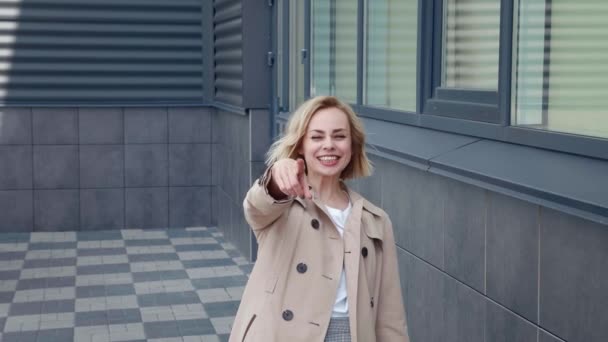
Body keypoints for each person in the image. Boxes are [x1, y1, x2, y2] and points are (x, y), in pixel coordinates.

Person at [229, 96, 409, 342]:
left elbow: (390, 314)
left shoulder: (375, 220)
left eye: (339, 136)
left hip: (351, 334)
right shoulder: (281, 203)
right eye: (317, 137)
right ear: (301, 144)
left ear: (353, 145)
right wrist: (276, 176)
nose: (329, 145)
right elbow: (256, 206)